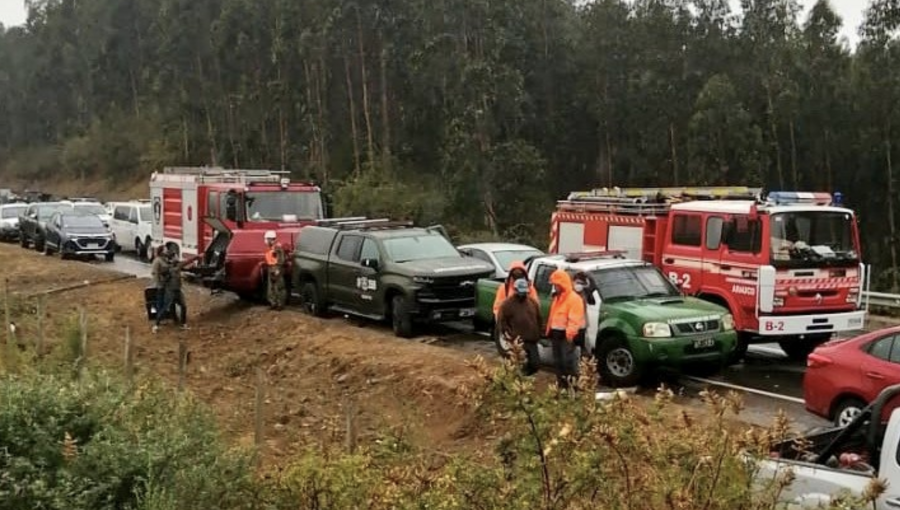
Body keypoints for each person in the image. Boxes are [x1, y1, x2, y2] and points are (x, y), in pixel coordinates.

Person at [545, 269, 585, 389]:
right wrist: (549, 331)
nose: (554, 287)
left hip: (566, 336)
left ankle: (572, 388)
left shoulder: (574, 299)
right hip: (556, 335)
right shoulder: (558, 298)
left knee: (568, 364)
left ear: (561, 284)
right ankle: (562, 387)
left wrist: (570, 336)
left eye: (556, 284)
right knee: (558, 364)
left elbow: (574, 319)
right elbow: (553, 316)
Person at [497, 278, 543, 376]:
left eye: (524, 292)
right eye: (520, 291)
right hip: (517, 342)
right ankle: (516, 381)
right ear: (515, 290)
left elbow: (539, 319)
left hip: (532, 340)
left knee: (536, 364)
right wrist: (511, 337)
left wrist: (539, 333)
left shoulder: (532, 302)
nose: (523, 294)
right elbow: (502, 323)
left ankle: (523, 376)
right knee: (516, 364)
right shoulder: (507, 304)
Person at [264, 230, 287, 310]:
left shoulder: (278, 248)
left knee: (279, 287)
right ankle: (273, 303)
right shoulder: (270, 248)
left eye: (267, 239)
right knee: (271, 288)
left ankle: (280, 304)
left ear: (271, 239)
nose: (266, 241)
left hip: (277, 268)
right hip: (271, 268)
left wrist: (278, 269)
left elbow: (281, 259)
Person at [150, 245, 170, 328]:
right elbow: (155, 273)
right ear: (161, 251)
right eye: (166, 250)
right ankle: (159, 319)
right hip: (160, 285)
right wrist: (159, 283)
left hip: (165, 284)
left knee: (164, 301)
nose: (167, 251)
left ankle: (162, 318)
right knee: (160, 302)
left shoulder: (165, 260)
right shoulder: (157, 261)